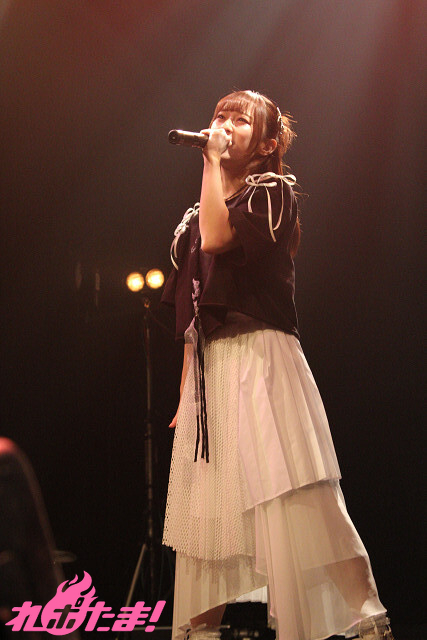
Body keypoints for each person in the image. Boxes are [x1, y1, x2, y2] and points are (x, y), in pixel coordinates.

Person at [161, 90, 394, 640]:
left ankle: (364, 618)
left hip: (261, 358)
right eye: (218, 116)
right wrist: (185, 395)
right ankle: (197, 628)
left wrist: (210, 161)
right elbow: (193, 314)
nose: (223, 124)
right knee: (209, 514)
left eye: (239, 120)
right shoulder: (192, 219)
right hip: (212, 375)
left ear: (267, 145)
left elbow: (220, 239)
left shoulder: (272, 193)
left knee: (292, 492)